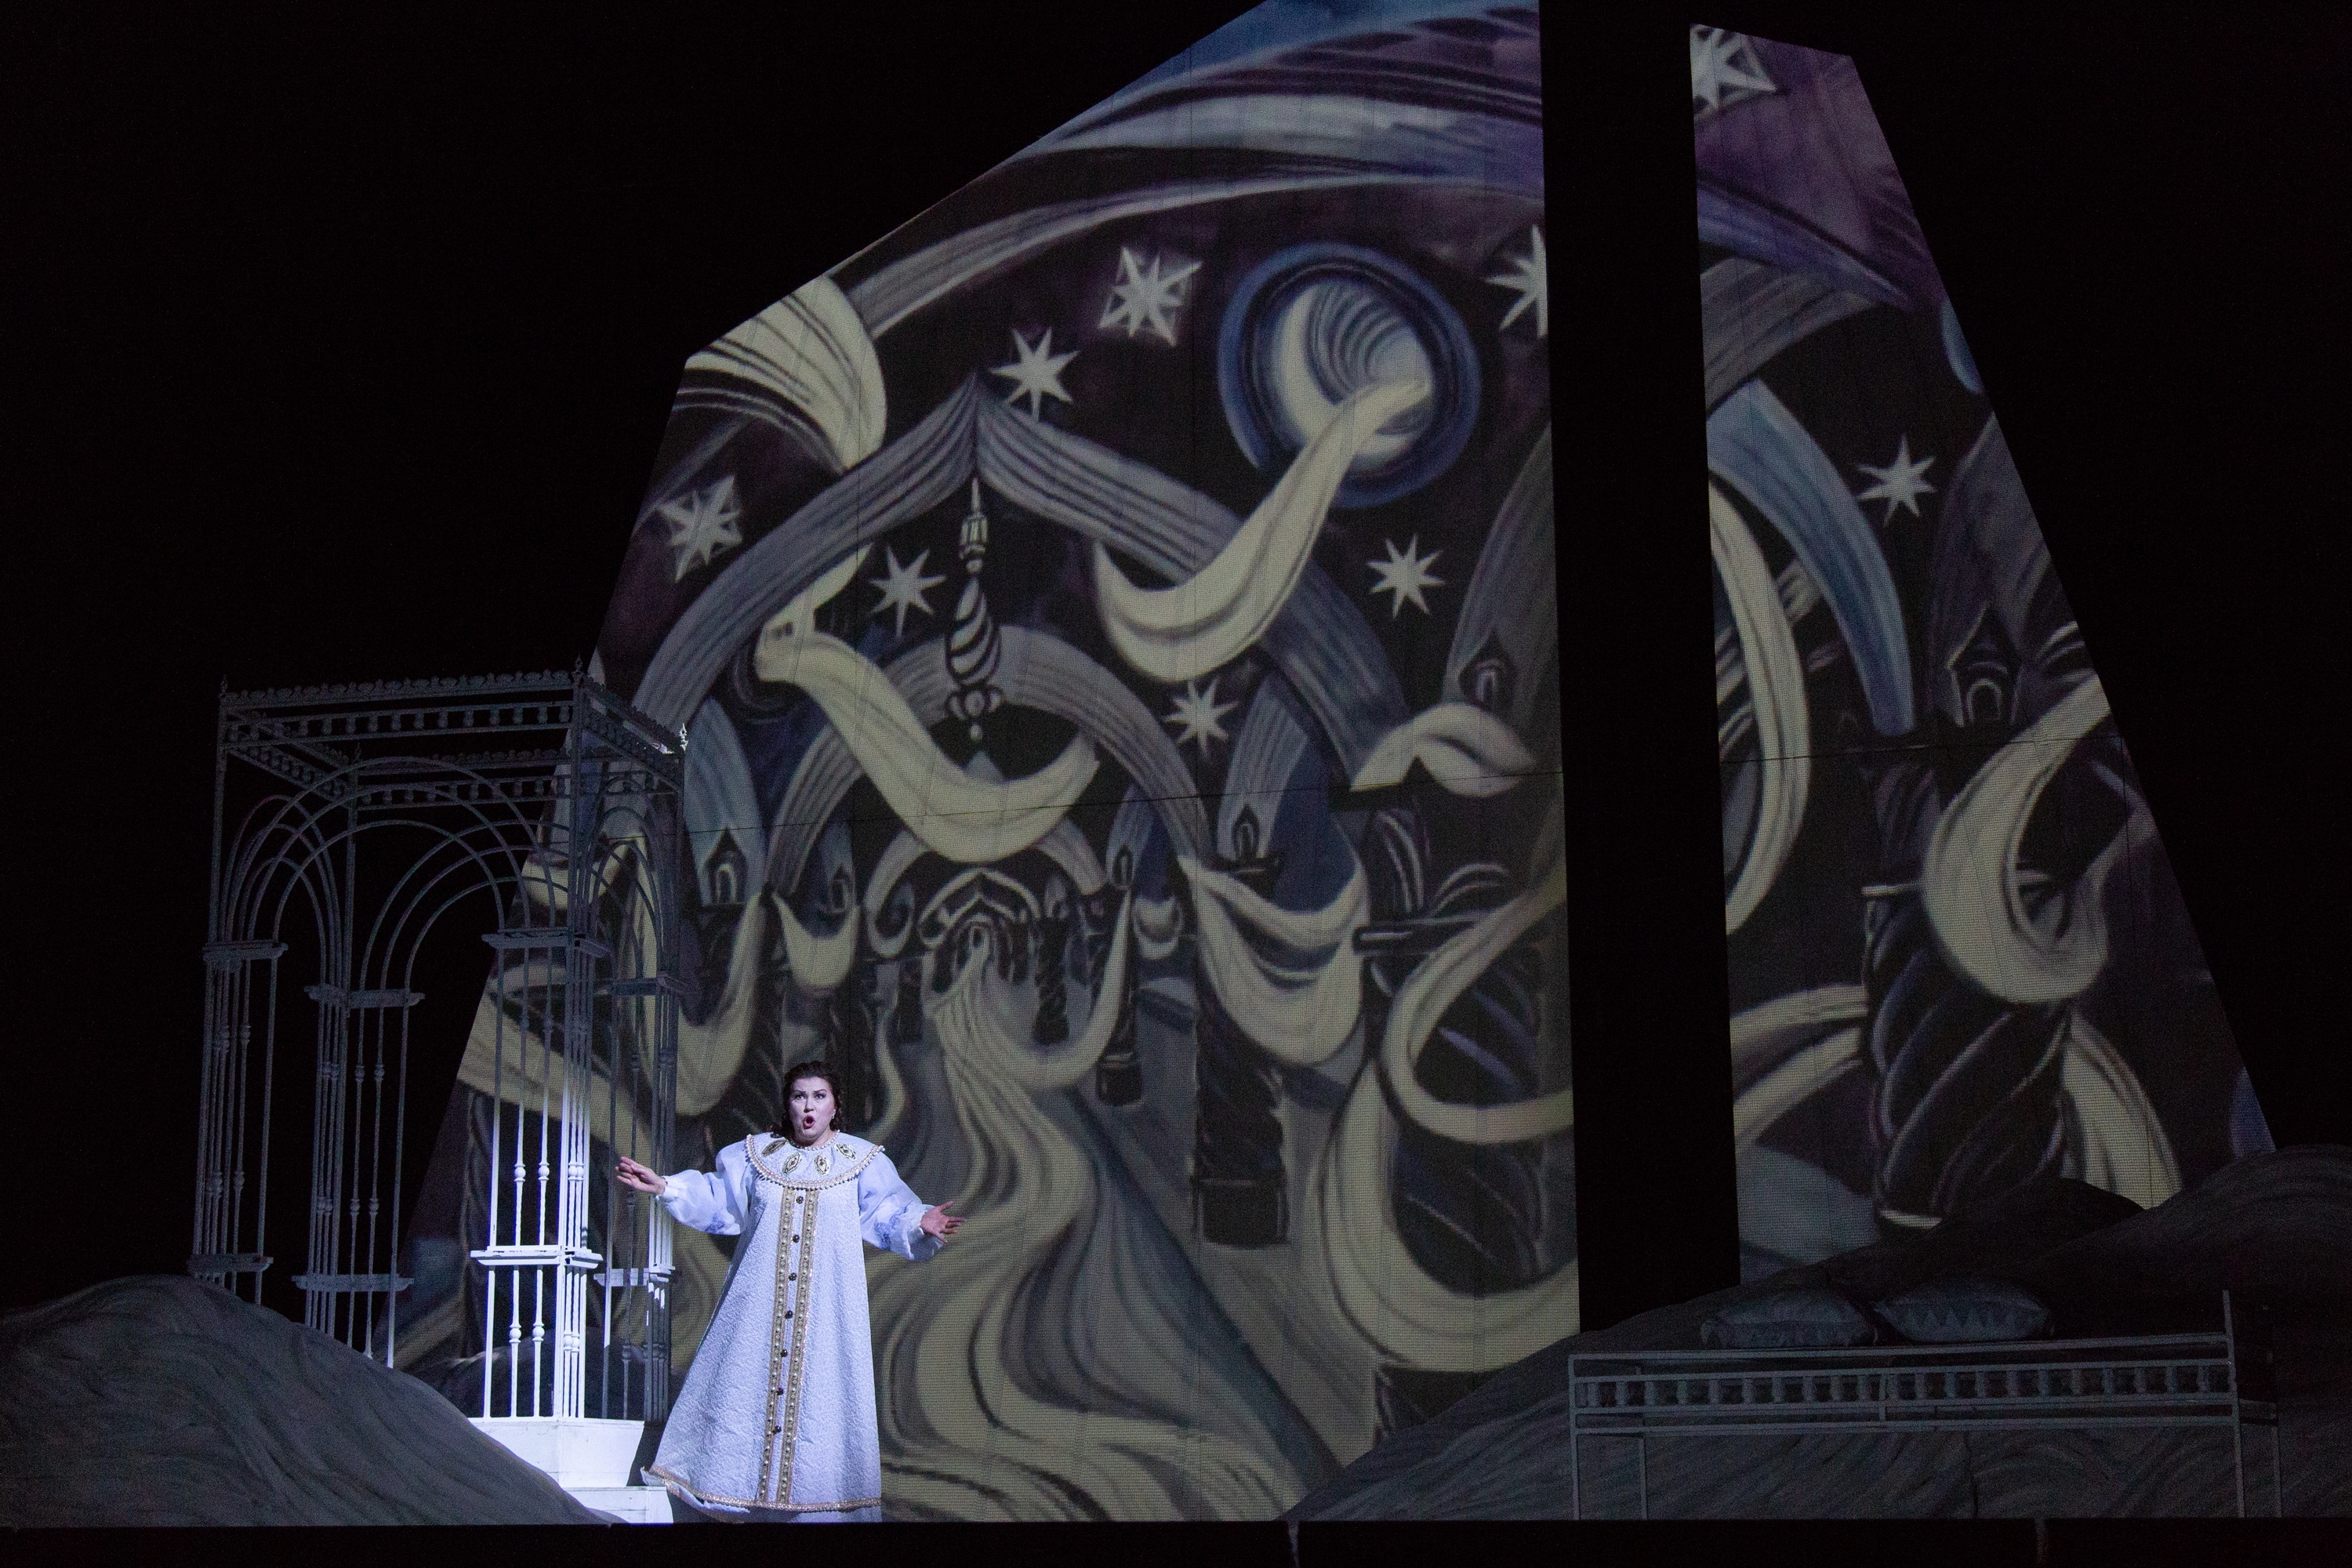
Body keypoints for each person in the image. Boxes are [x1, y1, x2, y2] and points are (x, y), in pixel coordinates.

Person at [615, 1058, 959, 1521]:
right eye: (800, 1097)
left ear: (835, 1105)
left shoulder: (859, 1161)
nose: (809, 1107)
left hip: (825, 1318)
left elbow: (888, 1213)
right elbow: (720, 1199)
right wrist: (666, 1187)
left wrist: (920, 1223)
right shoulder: (759, 1156)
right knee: (742, 1398)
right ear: (788, 1104)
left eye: (819, 1096)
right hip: (757, 1313)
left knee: (819, 1404)